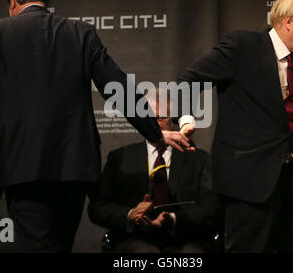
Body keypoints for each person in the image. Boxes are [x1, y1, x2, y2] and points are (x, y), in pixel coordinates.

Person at [0, 0, 191, 253]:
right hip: (73, 166)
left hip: (22, 166)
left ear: (11, 1)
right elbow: (117, 87)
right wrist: (155, 133)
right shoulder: (80, 33)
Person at [177, 0, 293, 252]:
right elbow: (188, 81)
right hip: (246, 183)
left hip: (289, 184)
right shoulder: (243, 46)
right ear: (289, 22)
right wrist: (187, 120)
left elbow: (286, 126)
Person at [88, 90, 221, 253]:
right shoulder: (120, 158)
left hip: (185, 237)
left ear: (172, 120)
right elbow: (98, 207)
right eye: (149, 118)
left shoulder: (198, 159)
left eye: (161, 117)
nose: (155, 124)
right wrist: (130, 214)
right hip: (135, 238)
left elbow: (212, 208)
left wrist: (172, 219)